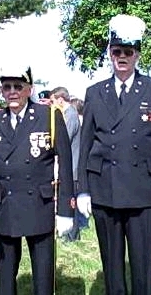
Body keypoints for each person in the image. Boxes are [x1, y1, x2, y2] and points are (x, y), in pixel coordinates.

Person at [76, 14, 151, 295]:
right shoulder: (95, 92)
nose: (122, 57)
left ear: (137, 54)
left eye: (128, 52)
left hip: (144, 192)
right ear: (109, 53)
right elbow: (85, 145)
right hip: (105, 190)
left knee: (144, 268)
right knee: (112, 268)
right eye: (117, 51)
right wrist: (83, 189)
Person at [0, 64, 74, 295]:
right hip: (5, 207)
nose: (12, 92)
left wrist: (66, 211)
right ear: (1, 91)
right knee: (6, 276)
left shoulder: (48, 116)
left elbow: (66, 165)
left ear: (29, 89)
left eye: (18, 86)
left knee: (43, 279)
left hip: (39, 206)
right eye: (7, 87)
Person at [50, 86, 83, 241]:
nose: (51, 105)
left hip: (73, 167)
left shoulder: (70, 115)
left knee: (72, 202)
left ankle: (72, 235)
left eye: (53, 101)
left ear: (60, 100)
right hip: (71, 165)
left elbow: (63, 139)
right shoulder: (68, 114)